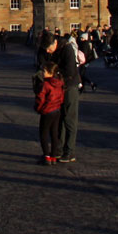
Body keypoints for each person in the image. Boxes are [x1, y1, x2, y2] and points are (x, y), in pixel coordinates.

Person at [53, 34, 82, 162]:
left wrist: (56, 73)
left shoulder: (67, 49)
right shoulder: (56, 50)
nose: (48, 52)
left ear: (54, 43)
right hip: (60, 88)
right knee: (60, 119)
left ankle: (69, 151)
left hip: (70, 87)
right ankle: (59, 149)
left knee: (69, 119)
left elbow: (70, 71)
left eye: (48, 48)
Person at [34, 60, 64, 164]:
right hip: (56, 110)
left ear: (49, 72)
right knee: (54, 133)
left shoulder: (45, 85)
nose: (42, 72)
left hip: (47, 111)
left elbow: (40, 98)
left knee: (44, 133)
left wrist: (38, 108)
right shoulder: (59, 83)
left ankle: (46, 156)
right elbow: (61, 97)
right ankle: (53, 156)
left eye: (44, 70)